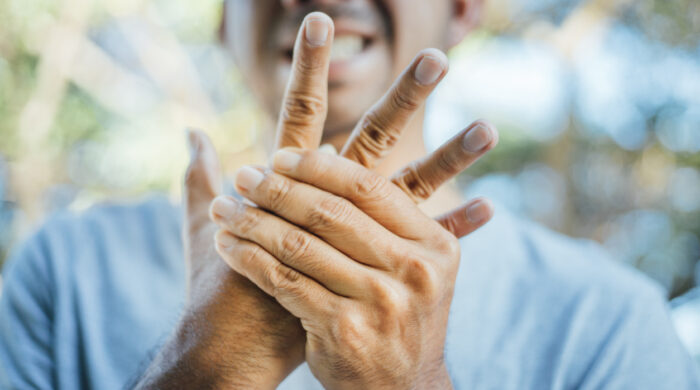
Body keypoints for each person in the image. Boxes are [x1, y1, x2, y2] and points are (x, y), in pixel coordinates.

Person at [0, 1, 698, 389]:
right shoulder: (66, 271)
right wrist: (205, 366)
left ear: (461, 10)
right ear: (222, 17)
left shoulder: (607, 324)